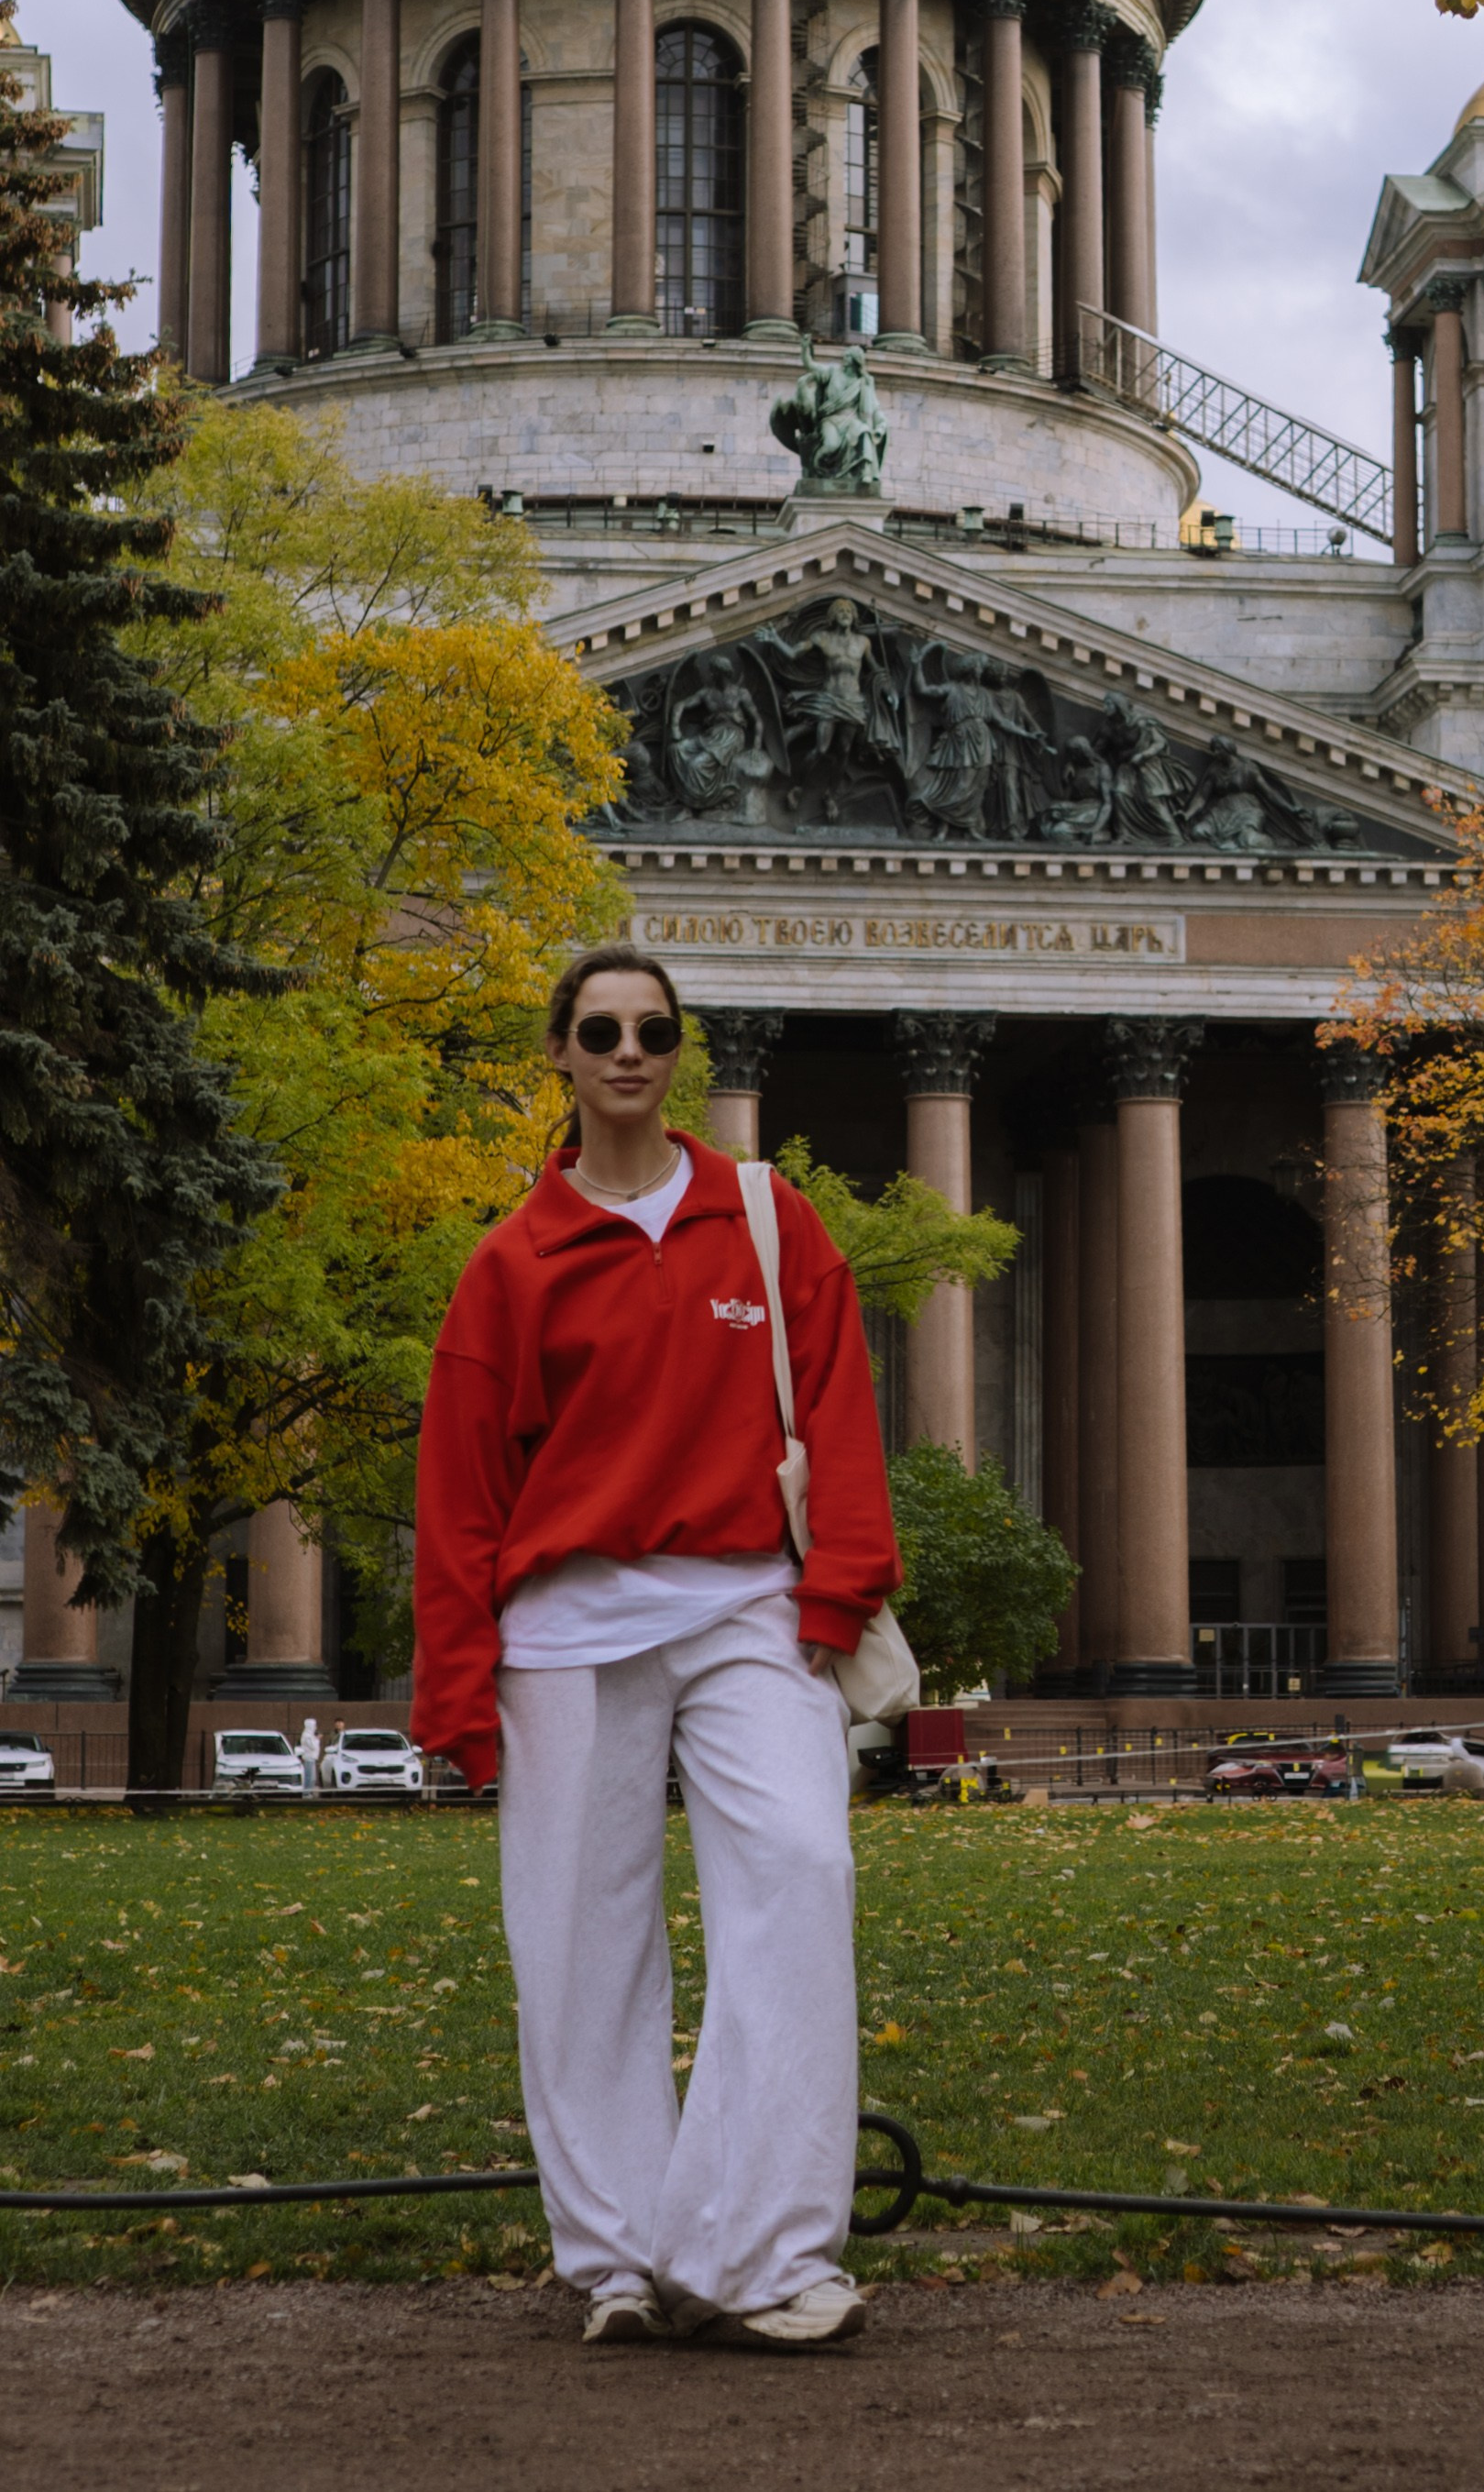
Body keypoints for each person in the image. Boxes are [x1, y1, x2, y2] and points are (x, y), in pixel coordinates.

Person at [411, 946, 899, 2352]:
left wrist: (838, 1596)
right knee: (577, 1944)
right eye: (601, 1029)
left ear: (679, 1051)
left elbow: (841, 1413)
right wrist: (457, 1689)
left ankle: (766, 2252)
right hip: (565, 1626)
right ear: (560, 1054)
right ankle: (620, 2257)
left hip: (748, 1605)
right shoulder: (510, 1263)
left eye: (655, 1029)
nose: (629, 1049)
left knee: (803, 1873)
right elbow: (459, 1495)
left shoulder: (766, 1217)